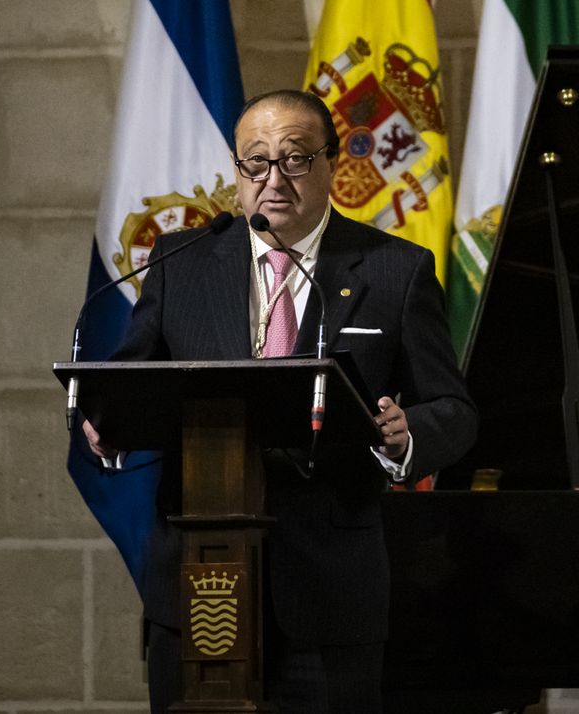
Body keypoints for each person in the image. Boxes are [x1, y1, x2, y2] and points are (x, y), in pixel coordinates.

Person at [83, 88, 477, 714]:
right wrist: (108, 422)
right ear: (237, 172)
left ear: (329, 164)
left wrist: (409, 434)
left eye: (294, 159)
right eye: (255, 162)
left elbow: (454, 412)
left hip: (330, 591)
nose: (274, 179)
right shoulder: (180, 263)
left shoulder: (394, 270)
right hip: (195, 584)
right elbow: (133, 379)